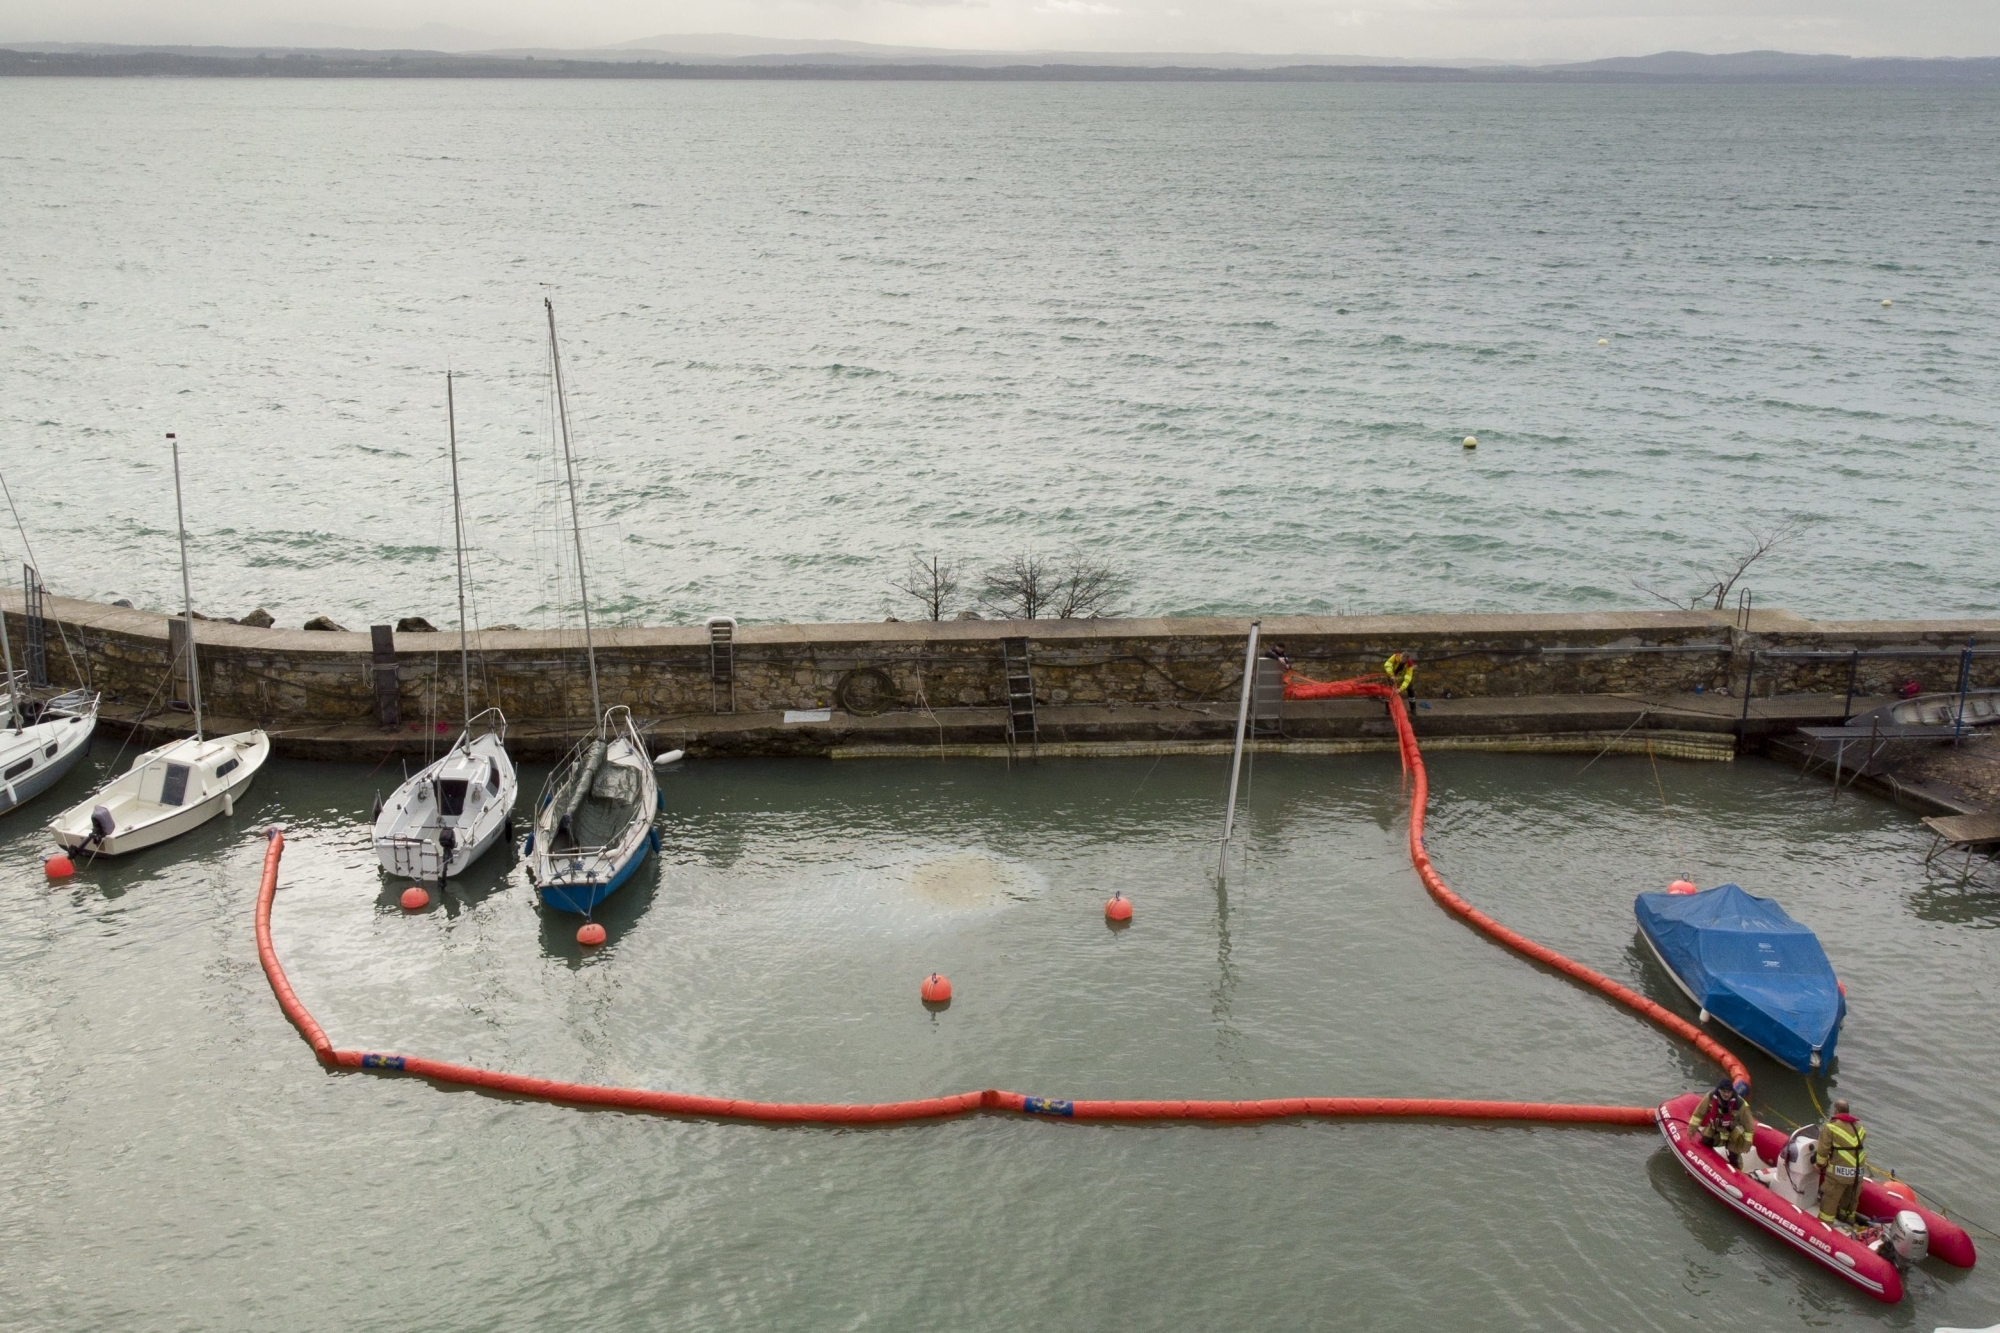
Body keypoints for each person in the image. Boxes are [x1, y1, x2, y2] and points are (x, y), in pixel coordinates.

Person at [1815, 1099, 1868, 1227]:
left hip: (1838, 1174)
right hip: (1857, 1174)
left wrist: (1818, 1165)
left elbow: (1823, 1149)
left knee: (1830, 1200)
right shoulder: (1859, 1127)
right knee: (1850, 1201)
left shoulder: (1831, 1126)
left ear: (1836, 1111)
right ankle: (1847, 1221)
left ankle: (1824, 1226)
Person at [1692, 1078, 1757, 1170]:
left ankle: (1740, 1175)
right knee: (1706, 1140)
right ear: (1719, 1090)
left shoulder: (1740, 1105)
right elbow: (1698, 1114)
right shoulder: (1711, 1097)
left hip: (1734, 1133)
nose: (1726, 1094)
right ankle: (1707, 1163)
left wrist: (1747, 1143)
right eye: (1724, 1091)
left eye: (1729, 1092)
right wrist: (1692, 1128)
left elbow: (1749, 1127)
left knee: (1734, 1156)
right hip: (1716, 1129)